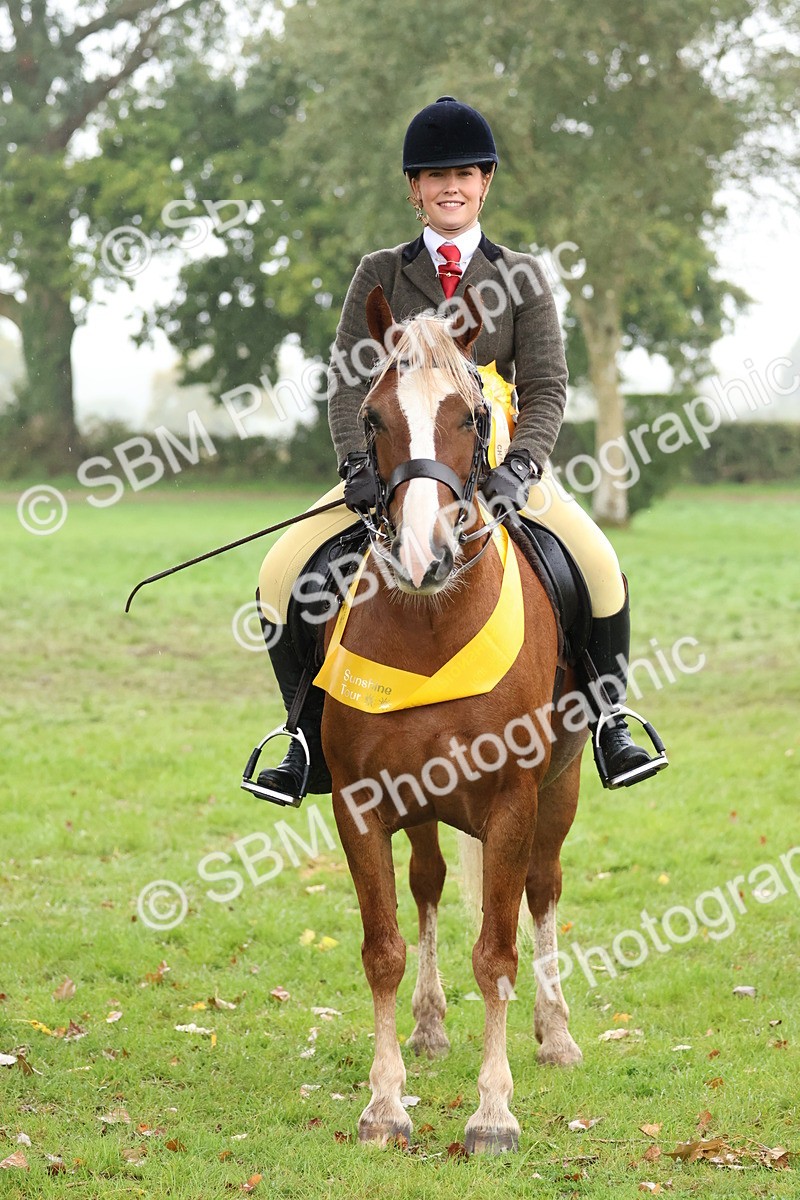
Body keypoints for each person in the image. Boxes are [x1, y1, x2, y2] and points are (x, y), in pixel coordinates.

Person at [244, 96, 667, 806]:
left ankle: (610, 722)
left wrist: (520, 469)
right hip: (393, 473)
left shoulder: (522, 275)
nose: (450, 187)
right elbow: (347, 384)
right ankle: (304, 734)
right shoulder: (379, 272)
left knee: (599, 568)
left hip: (499, 469)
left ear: (485, 182)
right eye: (435, 175)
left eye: (464, 174)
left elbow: (548, 386)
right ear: (414, 189)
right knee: (280, 571)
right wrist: (356, 467)